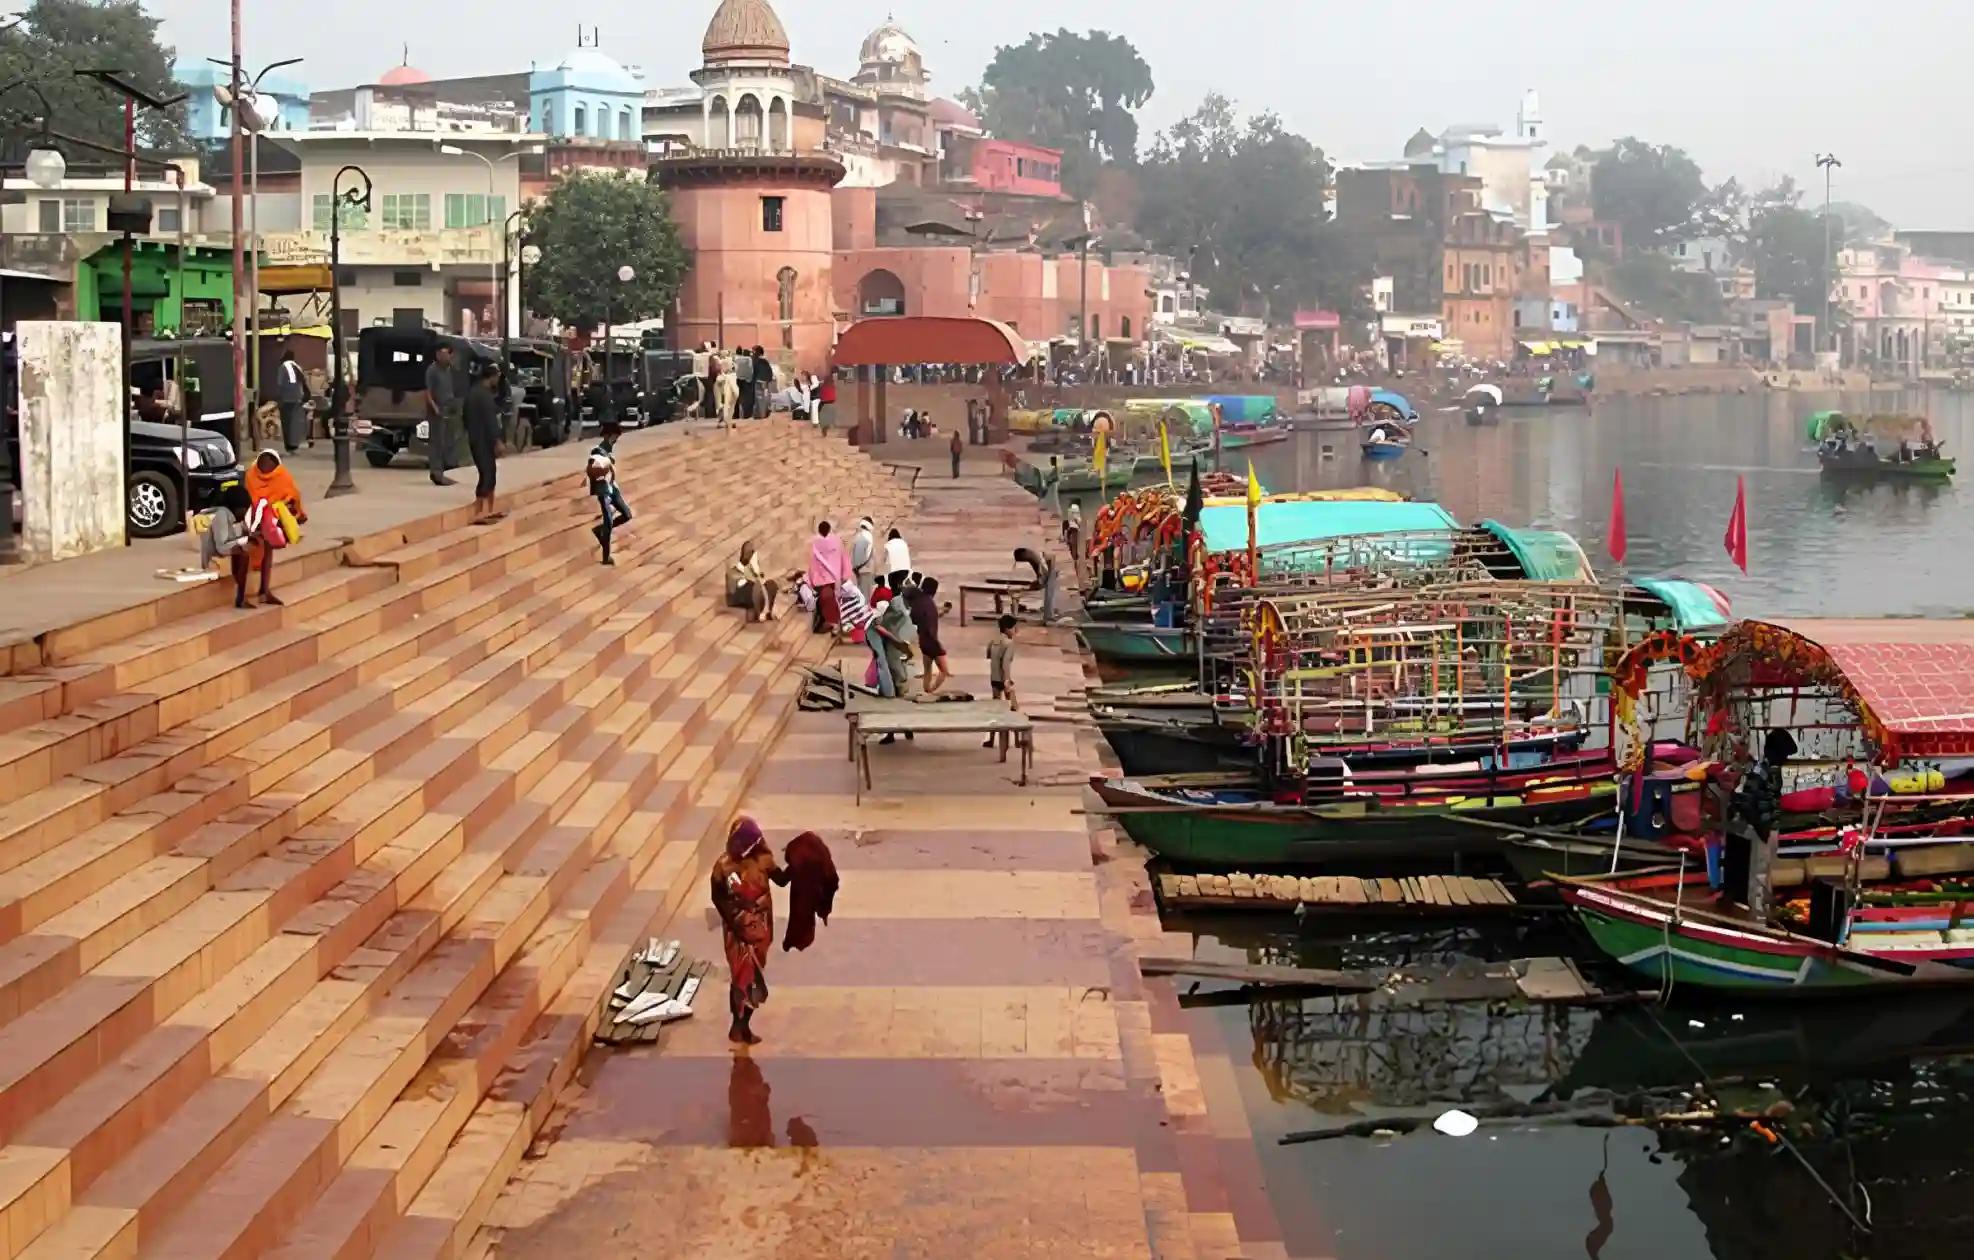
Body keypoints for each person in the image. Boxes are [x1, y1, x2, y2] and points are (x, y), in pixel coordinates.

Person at [709, 816, 789, 1045]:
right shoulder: (723, 867)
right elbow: (718, 898)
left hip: (761, 930)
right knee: (741, 976)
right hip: (737, 932)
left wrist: (799, 866)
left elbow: (781, 879)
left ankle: (744, 1027)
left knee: (755, 975)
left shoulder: (763, 859)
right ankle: (738, 1025)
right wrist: (736, 922)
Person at [213, 481, 278, 609]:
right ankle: (241, 597)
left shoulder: (236, 516)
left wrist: (253, 535)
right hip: (217, 550)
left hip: (230, 546)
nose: (244, 513)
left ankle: (264, 591)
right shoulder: (221, 515)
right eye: (242, 510)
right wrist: (242, 542)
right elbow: (221, 545)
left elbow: (244, 531)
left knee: (265, 543)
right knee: (244, 552)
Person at [586, 421, 632, 565]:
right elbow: (594, 469)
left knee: (627, 514)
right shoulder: (598, 451)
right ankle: (606, 557)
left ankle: (600, 531)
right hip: (603, 489)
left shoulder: (608, 449)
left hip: (613, 488)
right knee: (608, 521)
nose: (615, 441)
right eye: (614, 437)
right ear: (607, 436)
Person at [464, 362, 504, 524]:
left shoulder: (472, 393)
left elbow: (464, 416)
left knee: (488, 472)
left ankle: (489, 509)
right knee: (487, 473)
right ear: (492, 377)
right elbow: (490, 420)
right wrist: (497, 440)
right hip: (484, 439)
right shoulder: (484, 395)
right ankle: (480, 511)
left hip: (475, 437)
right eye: (497, 377)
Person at [424, 343, 460, 487]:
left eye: (446, 354)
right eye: (441, 353)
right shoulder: (432, 370)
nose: (443, 356)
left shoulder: (450, 370)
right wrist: (435, 408)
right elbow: (427, 392)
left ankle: (447, 470)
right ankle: (436, 472)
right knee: (437, 442)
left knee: (448, 442)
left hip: (449, 409)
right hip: (437, 411)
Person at [906, 574, 949, 694]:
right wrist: (937, 645)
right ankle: (931, 691)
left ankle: (926, 689)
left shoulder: (918, 602)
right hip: (931, 641)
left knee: (928, 670)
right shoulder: (929, 603)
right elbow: (930, 623)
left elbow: (927, 619)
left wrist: (943, 612)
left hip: (923, 641)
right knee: (944, 671)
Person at [246, 449, 306, 529]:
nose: (266, 466)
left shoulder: (251, 474)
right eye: (264, 462)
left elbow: (292, 497)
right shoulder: (282, 474)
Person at [807, 520, 848, 632]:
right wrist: (845, 573)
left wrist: (811, 580)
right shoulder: (836, 541)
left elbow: (813, 563)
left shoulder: (815, 543)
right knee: (833, 600)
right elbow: (843, 557)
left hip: (822, 579)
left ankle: (834, 624)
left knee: (827, 601)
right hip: (835, 576)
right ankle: (836, 623)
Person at [984, 613, 1017, 747]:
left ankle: (991, 739)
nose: (1015, 631)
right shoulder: (1009, 643)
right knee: (1013, 708)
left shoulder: (993, 641)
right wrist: (1008, 680)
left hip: (994, 679)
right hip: (1004, 679)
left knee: (995, 710)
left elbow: (988, 655)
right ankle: (1017, 740)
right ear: (1008, 629)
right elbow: (1006, 664)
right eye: (1014, 628)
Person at [728, 540, 780, 622]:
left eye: (751, 552)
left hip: (757, 592)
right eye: (748, 552)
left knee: (771, 585)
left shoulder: (751, 566)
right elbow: (736, 586)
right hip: (746, 593)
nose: (750, 554)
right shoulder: (737, 569)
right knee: (757, 587)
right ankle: (761, 612)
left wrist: (758, 574)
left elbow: (760, 577)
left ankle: (767, 610)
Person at [275, 347, 309, 453]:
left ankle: (289, 445)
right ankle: (294, 444)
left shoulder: (283, 367)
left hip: (286, 399)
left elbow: (279, 384)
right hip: (298, 398)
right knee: (295, 422)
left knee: (286, 422)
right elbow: (303, 381)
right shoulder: (297, 366)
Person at [849, 516, 877, 598]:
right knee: (865, 596)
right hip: (865, 570)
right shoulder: (866, 537)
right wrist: (857, 567)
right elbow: (863, 556)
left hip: (861, 570)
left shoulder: (860, 536)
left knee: (862, 594)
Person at [733, 343, 756, 421]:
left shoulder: (736, 359)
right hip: (746, 381)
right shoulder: (748, 360)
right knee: (747, 398)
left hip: (738, 380)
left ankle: (736, 414)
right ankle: (747, 414)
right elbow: (750, 371)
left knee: (737, 397)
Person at [815, 370, 837, 435]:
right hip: (832, 403)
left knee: (819, 411)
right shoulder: (833, 387)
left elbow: (820, 396)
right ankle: (828, 424)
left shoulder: (823, 387)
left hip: (824, 403)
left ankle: (823, 424)